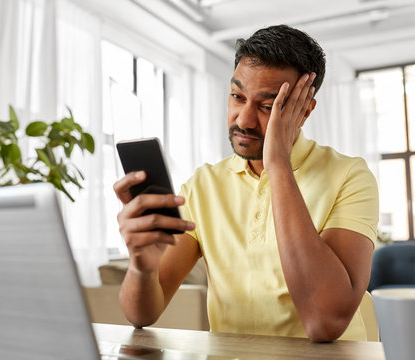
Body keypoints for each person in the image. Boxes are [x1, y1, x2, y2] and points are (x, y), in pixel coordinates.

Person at [113, 24, 379, 342]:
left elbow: (325, 321)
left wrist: (278, 166)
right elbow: (142, 314)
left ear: (304, 111)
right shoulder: (202, 186)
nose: (244, 119)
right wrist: (142, 266)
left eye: (267, 107)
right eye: (238, 97)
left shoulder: (350, 177)